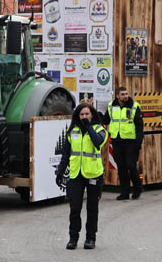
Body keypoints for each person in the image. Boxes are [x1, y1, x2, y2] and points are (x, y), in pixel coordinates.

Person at [55, 103, 109, 250]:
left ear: (92, 115)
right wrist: (60, 171)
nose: (84, 117)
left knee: (92, 208)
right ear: (77, 116)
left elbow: (98, 142)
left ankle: (90, 238)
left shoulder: (99, 129)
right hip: (76, 174)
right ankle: (73, 238)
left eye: (87, 114)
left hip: (93, 175)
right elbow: (66, 153)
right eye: (82, 115)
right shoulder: (72, 131)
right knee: (75, 207)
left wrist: (88, 127)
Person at [102, 87, 144, 200]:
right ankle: (124, 192)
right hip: (117, 141)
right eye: (123, 94)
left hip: (131, 141)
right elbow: (105, 120)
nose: (125, 96)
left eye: (126, 94)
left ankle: (137, 188)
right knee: (121, 167)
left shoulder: (134, 106)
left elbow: (140, 127)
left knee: (131, 165)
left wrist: (138, 143)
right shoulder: (111, 106)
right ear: (117, 96)